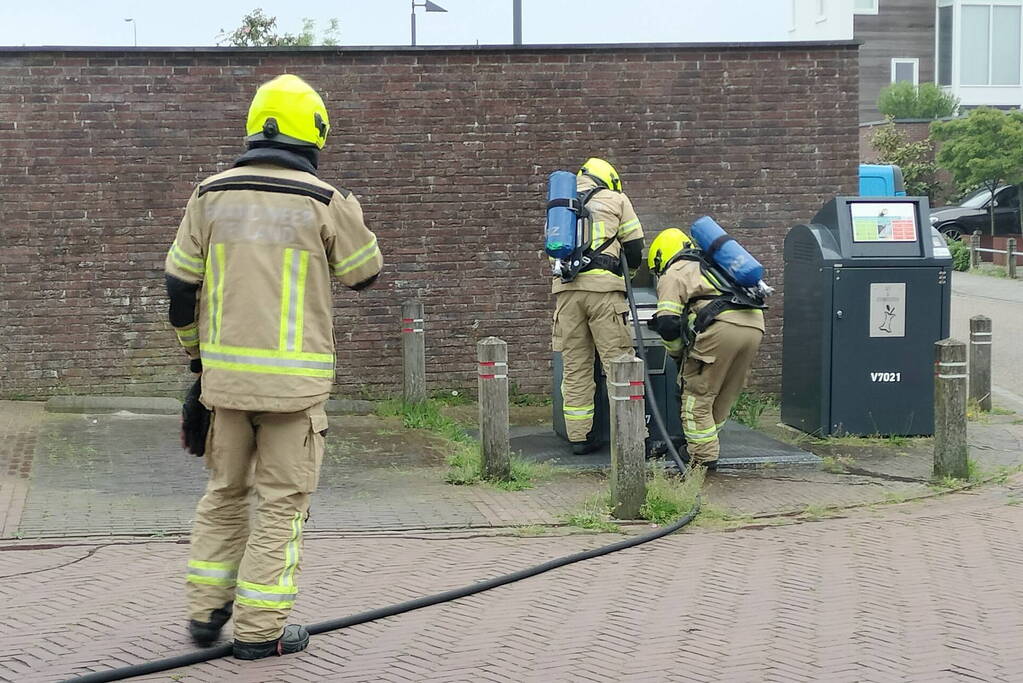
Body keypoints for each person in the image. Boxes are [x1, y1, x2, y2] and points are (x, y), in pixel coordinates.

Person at [164, 74, 383, 659]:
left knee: (224, 492)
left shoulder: (208, 196)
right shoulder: (324, 200)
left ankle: (206, 615)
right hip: (295, 392)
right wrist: (347, 213)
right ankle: (261, 632)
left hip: (226, 386)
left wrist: (196, 363)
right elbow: (366, 273)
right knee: (281, 505)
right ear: (314, 133)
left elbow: (178, 288)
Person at [646, 228, 764, 469]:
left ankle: (703, 459)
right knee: (723, 393)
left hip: (721, 329)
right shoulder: (714, 265)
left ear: (661, 256)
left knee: (696, 397)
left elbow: (668, 323)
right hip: (754, 325)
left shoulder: (675, 270)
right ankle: (702, 443)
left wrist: (677, 353)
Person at [552, 158, 644, 454]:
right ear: (610, 179)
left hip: (567, 293)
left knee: (576, 366)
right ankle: (630, 435)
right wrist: (624, 277)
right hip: (604, 293)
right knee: (619, 363)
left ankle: (579, 437)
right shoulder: (616, 199)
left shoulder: (561, 205)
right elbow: (635, 247)